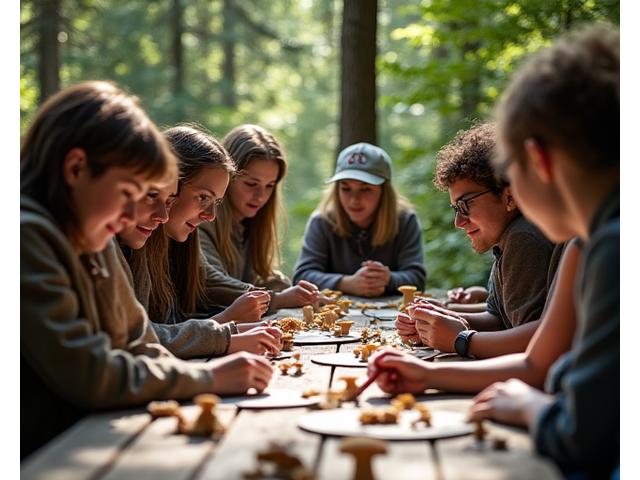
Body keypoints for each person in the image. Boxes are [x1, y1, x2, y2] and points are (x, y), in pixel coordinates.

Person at [21, 82, 273, 458]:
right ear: (75, 169)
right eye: (129, 194)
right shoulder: (27, 235)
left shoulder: (94, 237)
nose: (133, 215)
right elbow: (89, 373)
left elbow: (141, 342)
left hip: (103, 434)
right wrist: (209, 376)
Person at [396, 123, 563, 358]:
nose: (458, 221)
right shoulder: (507, 238)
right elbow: (499, 319)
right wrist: (441, 321)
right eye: (455, 208)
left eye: (465, 205)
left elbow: (534, 340)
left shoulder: (523, 237)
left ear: (509, 197)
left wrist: (460, 340)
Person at [117, 171, 282, 359]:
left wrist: (232, 329)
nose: (211, 215)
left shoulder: (180, 238)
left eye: (270, 186)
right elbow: (138, 341)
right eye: (203, 197)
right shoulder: (136, 244)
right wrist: (225, 332)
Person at [198, 124, 323, 310]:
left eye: (269, 186)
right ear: (226, 178)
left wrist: (305, 295)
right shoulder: (199, 220)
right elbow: (210, 281)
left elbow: (262, 276)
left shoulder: (249, 223)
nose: (261, 196)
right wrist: (276, 299)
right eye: (251, 184)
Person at [292, 142, 426, 297]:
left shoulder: (405, 221)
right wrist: (346, 283)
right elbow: (302, 277)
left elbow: (417, 279)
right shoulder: (322, 222)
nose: (354, 200)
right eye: (346, 188)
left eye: (366, 189)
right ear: (336, 190)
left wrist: (388, 279)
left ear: (384, 192)